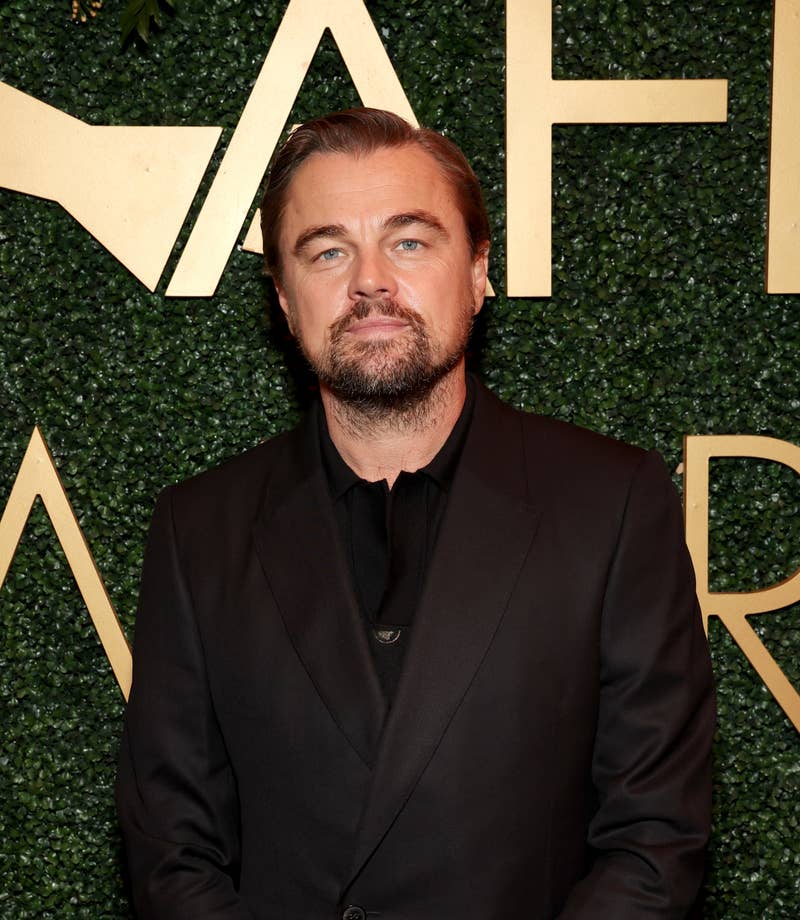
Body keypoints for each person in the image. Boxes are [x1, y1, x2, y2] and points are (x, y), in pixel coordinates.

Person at [116, 107, 715, 919]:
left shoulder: (611, 506)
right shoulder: (200, 531)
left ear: (477, 269)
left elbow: (654, 839)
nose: (370, 281)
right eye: (327, 250)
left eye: (409, 241)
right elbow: (173, 854)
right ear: (285, 302)